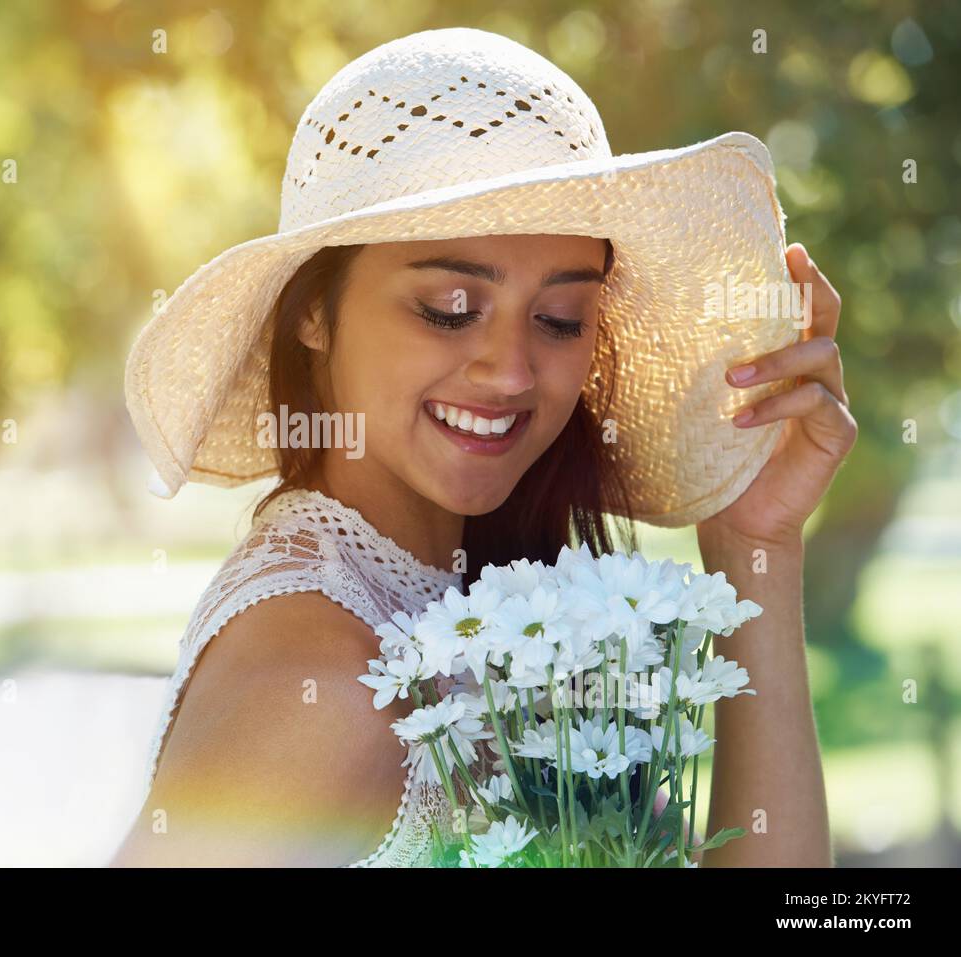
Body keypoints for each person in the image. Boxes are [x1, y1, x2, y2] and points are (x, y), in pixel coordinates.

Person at [112, 27, 854, 867]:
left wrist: (754, 543)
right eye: (450, 307)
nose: (509, 373)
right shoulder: (314, 678)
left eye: (559, 319)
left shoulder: (507, 616)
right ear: (312, 311)